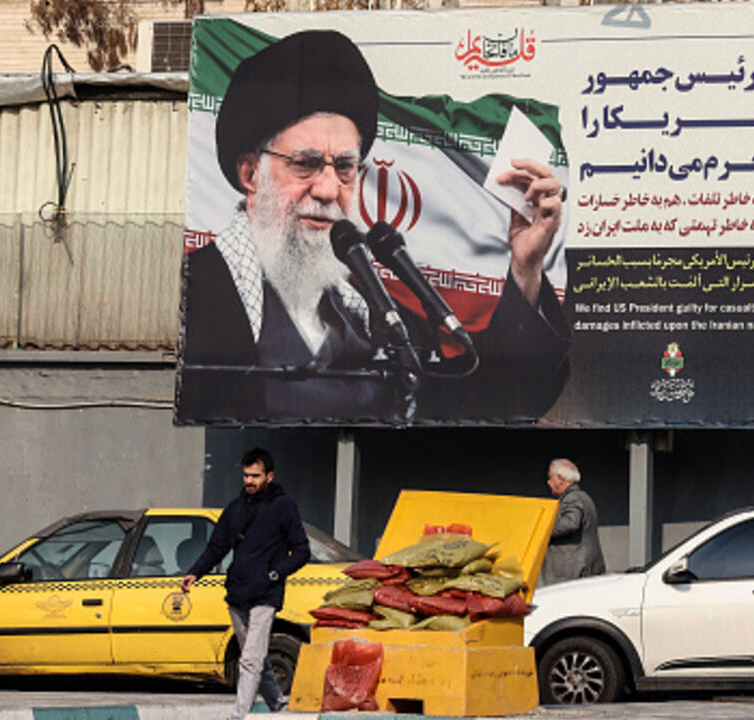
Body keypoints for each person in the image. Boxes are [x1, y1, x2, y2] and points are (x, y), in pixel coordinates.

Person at [178, 29, 571, 425]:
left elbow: (485, 400)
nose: (329, 189)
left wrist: (524, 267)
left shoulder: (376, 313)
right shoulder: (196, 293)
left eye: (345, 167)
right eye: (305, 164)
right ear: (250, 174)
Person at [181, 448, 311, 720]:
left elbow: (301, 550)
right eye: (246, 475)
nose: (249, 481)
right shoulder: (235, 508)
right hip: (238, 593)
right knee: (257, 656)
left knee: (249, 659)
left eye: (255, 476)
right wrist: (195, 572)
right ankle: (277, 704)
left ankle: (238, 715)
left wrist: (275, 574)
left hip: (266, 594)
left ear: (270, 476)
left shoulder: (284, 507)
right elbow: (217, 547)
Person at [540, 458, 606, 585]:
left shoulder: (572, 498)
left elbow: (570, 523)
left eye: (550, 477)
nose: (548, 482)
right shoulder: (582, 496)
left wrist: (541, 530)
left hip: (572, 573)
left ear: (560, 478)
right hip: (582, 569)